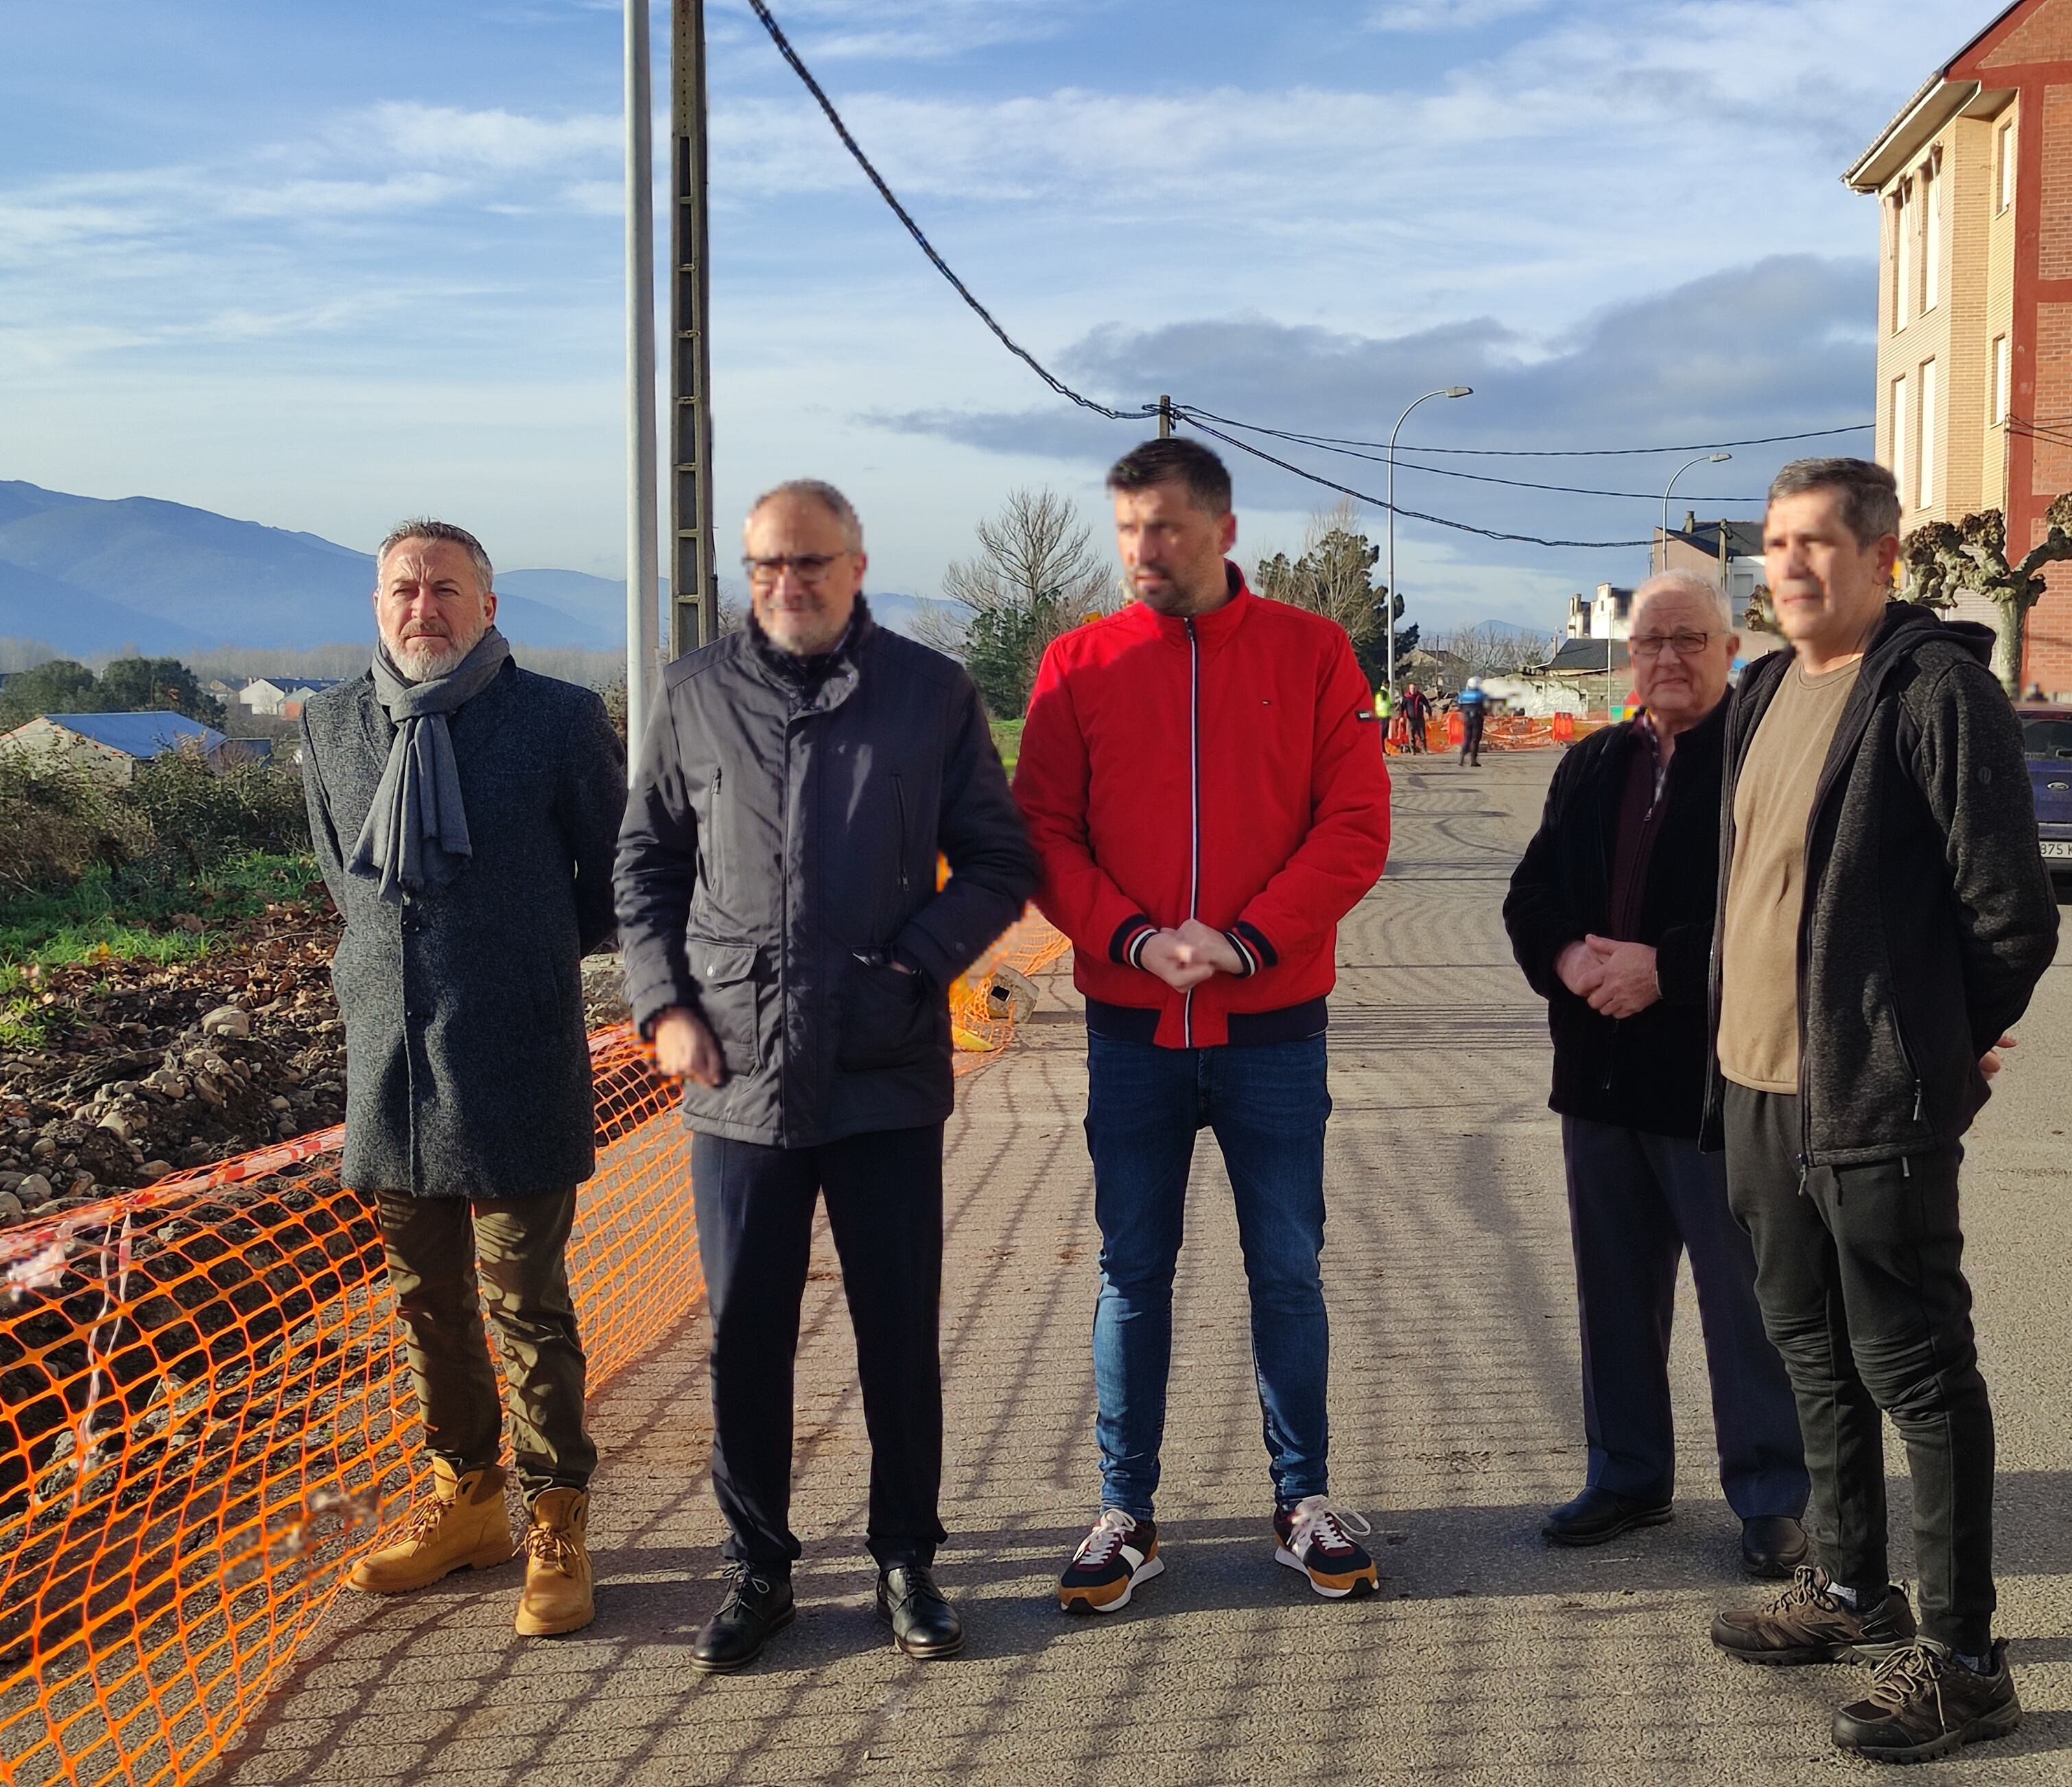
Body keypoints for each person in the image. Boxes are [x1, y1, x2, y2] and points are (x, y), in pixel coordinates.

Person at [614, 479, 1037, 1672]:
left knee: (894, 1326)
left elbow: (999, 861)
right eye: (762, 567)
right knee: (746, 1329)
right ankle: (760, 1566)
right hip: (737, 1073)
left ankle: (906, 1553)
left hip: (883, 1066)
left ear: (856, 563)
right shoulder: (693, 695)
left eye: (806, 562)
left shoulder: (929, 693)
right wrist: (662, 1006)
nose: (783, 585)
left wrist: (916, 964)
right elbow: (643, 865)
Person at [1702, 458, 2057, 1766]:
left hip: (1868, 1104)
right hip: (1748, 1086)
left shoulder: (1932, 690)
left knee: (1913, 1365)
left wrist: (1935, 1053)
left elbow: (2008, 909)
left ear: (1880, 557)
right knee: (1807, 1344)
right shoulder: (1760, 691)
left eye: (1813, 545)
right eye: (1773, 545)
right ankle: (1851, 1584)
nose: (1786, 567)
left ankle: (1964, 1658)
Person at [1013, 438, 1391, 1615]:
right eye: (1127, 528)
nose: (1142, 551)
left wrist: (1245, 940)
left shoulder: (1312, 651)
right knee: (1132, 1271)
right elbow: (1041, 834)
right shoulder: (1074, 664)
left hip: (1273, 1022)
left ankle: (1302, 1499)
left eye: (1166, 528)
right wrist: (1132, 938)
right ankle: (1124, 1509)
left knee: (1284, 1265)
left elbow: (1353, 822)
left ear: (1224, 529)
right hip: (1132, 1031)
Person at [302, 519, 624, 1639]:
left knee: (525, 1303)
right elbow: (342, 872)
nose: (422, 605)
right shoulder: (328, 722)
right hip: (386, 1063)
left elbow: (611, 880)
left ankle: (556, 1518)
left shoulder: (557, 719)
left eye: (447, 587)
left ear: (489, 607)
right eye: (403, 587)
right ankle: (468, 1500)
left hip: (515, 1055)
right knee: (425, 1303)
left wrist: (514, 957)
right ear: (377, 604)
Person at [1500, 573, 1810, 1579]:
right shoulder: (1593, 762)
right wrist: (1571, 960)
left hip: (1718, 1080)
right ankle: (1627, 1473)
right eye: (1650, 643)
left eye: (1689, 640)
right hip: (1597, 1082)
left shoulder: (1760, 762)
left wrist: (1663, 970)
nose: (1668, 659)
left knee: (1745, 1300)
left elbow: (1784, 915)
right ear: (1627, 659)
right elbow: (1532, 892)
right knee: (1614, 1295)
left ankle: (1771, 1494)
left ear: (1730, 648)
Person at [1456, 677, 1490, 767]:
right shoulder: (1481, 695)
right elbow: (1486, 706)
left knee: (1467, 738)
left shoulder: (1463, 695)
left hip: (1467, 718)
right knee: (1475, 739)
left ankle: (1462, 758)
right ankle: (1473, 760)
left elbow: (1459, 706)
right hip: (1477, 718)